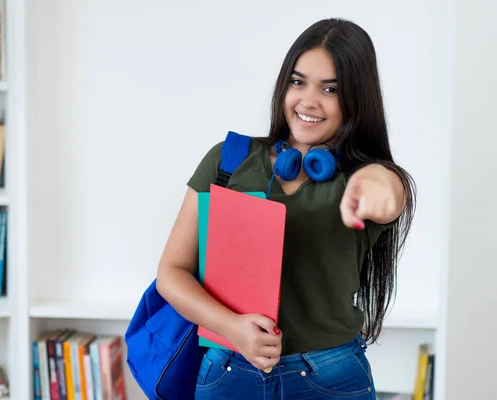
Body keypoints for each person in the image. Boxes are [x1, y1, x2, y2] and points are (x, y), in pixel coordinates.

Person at [156, 17, 416, 400]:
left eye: (330, 89)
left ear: (357, 100)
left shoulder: (360, 178)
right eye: (298, 82)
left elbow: (389, 192)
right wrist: (231, 328)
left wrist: (377, 185)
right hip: (228, 371)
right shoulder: (227, 162)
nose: (308, 101)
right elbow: (170, 273)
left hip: (330, 378)